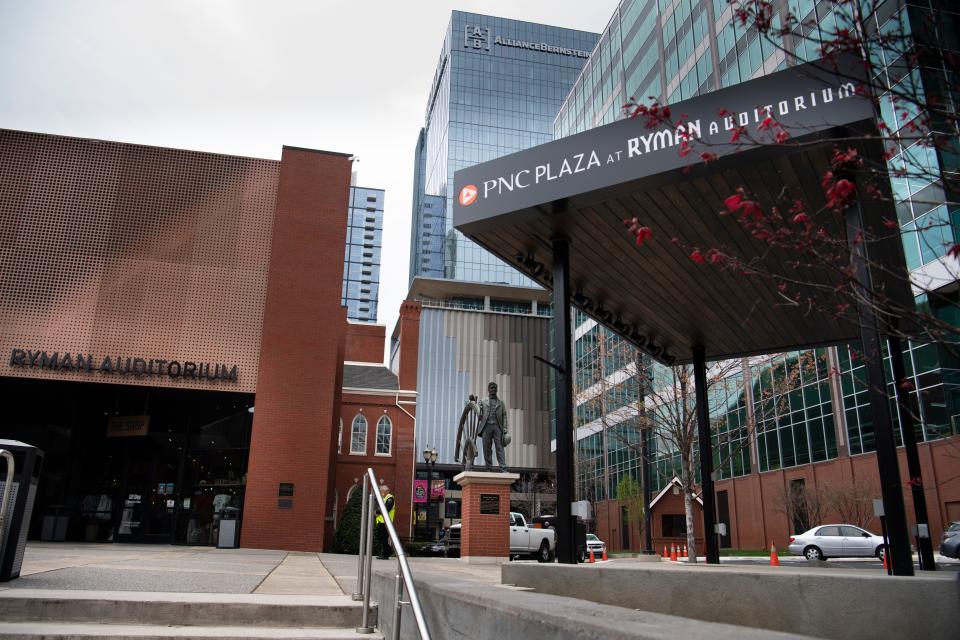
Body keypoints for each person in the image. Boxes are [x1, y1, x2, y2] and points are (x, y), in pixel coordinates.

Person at [477, 381, 509, 472]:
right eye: (492, 388)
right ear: (488, 390)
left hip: (497, 427)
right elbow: (478, 408)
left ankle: (503, 468)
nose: (493, 390)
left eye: (495, 388)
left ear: (497, 390)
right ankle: (488, 467)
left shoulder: (501, 403)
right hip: (486, 426)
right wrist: (479, 410)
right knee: (487, 448)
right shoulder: (483, 401)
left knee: (500, 448)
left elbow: (504, 415)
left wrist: (505, 427)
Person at [375, 484, 396, 560]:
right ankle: (385, 552)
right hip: (381, 521)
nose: (381, 492)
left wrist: (377, 511)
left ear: (386, 491)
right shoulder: (384, 498)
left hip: (386, 522)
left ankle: (386, 554)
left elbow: (386, 509)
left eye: (381, 491)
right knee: (381, 538)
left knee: (383, 538)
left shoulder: (390, 498)